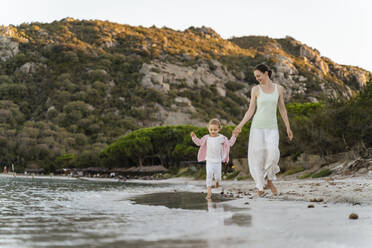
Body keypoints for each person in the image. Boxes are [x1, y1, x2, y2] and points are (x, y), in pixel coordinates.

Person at [234, 64, 293, 197]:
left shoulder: (279, 89)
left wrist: (288, 127)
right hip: (257, 128)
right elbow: (251, 110)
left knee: (273, 154)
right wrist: (240, 125)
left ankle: (270, 181)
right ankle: (260, 187)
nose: (257, 79)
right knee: (258, 158)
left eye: (259, 76)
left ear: (266, 73)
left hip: (272, 127)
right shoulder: (255, 90)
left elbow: (282, 109)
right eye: (256, 77)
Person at [191, 118, 240, 199]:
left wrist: (234, 136)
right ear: (208, 129)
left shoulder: (222, 138)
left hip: (218, 161)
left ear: (219, 129)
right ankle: (209, 193)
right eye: (211, 129)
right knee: (209, 175)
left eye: (215, 129)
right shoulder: (206, 138)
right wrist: (194, 137)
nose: (213, 131)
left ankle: (217, 181)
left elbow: (230, 144)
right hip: (209, 160)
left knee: (218, 177)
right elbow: (199, 143)